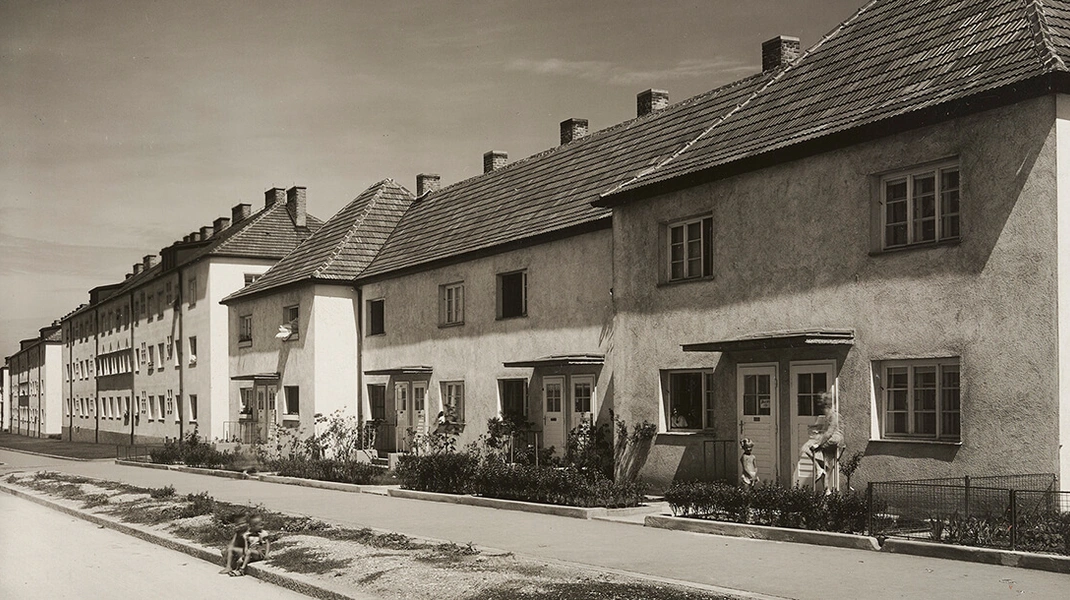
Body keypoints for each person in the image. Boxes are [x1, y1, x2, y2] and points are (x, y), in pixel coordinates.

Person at [802, 392, 844, 493]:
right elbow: (826, 430)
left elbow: (830, 432)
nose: (823, 408)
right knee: (807, 448)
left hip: (835, 440)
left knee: (809, 447)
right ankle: (826, 488)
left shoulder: (834, 415)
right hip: (829, 439)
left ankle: (820, 471)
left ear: (829, 404)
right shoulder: (828, 415)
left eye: (825, 404)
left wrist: (819, 443)